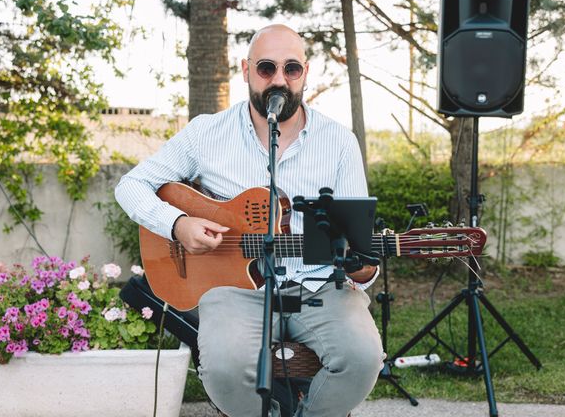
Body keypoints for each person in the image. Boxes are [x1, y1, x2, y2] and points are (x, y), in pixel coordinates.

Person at [115, 24, 384, 417]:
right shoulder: (207, 132)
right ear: (245, 70)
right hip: (234, 291)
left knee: (362, 359)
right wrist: (177, 225)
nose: (279, 79)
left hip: (321, 286)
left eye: (291, 69)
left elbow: (356, 249)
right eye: (266, 68)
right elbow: (131, 184)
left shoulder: (339, 142)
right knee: (221, 367)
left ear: (305, 73)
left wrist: (362, 266)